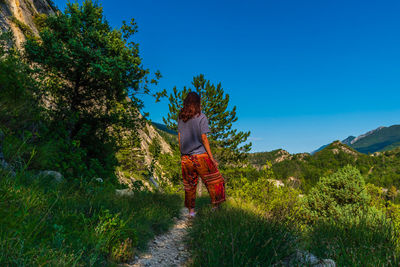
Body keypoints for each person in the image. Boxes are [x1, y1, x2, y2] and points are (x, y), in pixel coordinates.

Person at [177, 92, 226, 217]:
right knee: (216, 181)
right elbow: (204, 138)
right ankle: (215, 208)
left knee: (189, 185)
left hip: (186, 157)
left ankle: (191, 213)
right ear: (198, 102)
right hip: (200, 156)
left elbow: (179, 137)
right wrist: (211, 157)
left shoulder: (181, 117)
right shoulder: (201, 117)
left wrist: (182, 153)